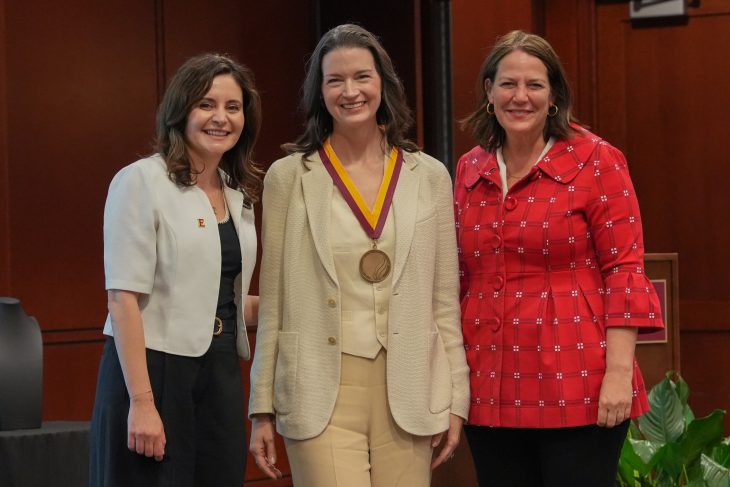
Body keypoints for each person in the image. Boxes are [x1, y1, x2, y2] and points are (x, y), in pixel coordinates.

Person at [248, 24, 469, 486]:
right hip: (319, 386)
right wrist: (261, 407)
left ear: (383, 84)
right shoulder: (289, 178)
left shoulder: (428, 175)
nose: (350, 91)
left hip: (408, 384)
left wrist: (456, 397)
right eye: (335, 80)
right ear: (319, 92)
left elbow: (444, 302)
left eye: (362, 77)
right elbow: (274, 303)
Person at [454, 31, 664, 487]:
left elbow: (625, 269)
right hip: (488, 380)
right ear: (489, 91)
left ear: (554, 96)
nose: (520, 97)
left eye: (535, 85)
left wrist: (618, 375)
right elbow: (462, 275)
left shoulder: (597, 159)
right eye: (508, 84)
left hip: (579, 380)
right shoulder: (470, 168)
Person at [89, 53, 262, 486]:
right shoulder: (141, 181)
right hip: (153, 372)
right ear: (180, 110)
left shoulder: (237, 194)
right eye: (206, 104)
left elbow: (223, 299)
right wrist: (143, 402)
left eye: (233, 107)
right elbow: (122, 297)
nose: (220, 117)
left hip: (220, 374)